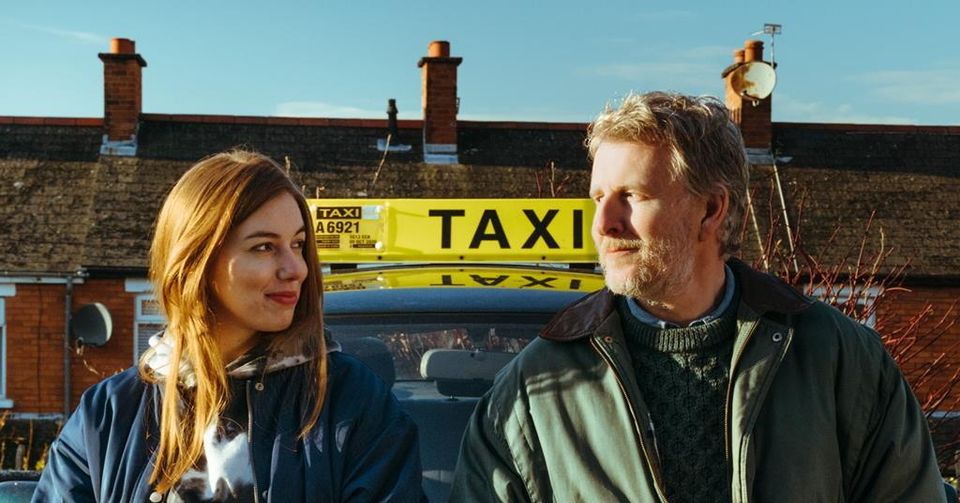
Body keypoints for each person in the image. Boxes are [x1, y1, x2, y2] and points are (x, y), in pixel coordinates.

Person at [451, 92, 944, 502]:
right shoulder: (533, 390)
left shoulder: (841, 362)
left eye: (633, 196)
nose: (604, 225)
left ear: (711, 209)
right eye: (599, 198)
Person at [34, 150, 425, 502]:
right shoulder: (108, 413)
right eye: (264, 247)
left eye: (298, 244)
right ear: (196, 262)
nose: (297, 269)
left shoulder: (351, 401)